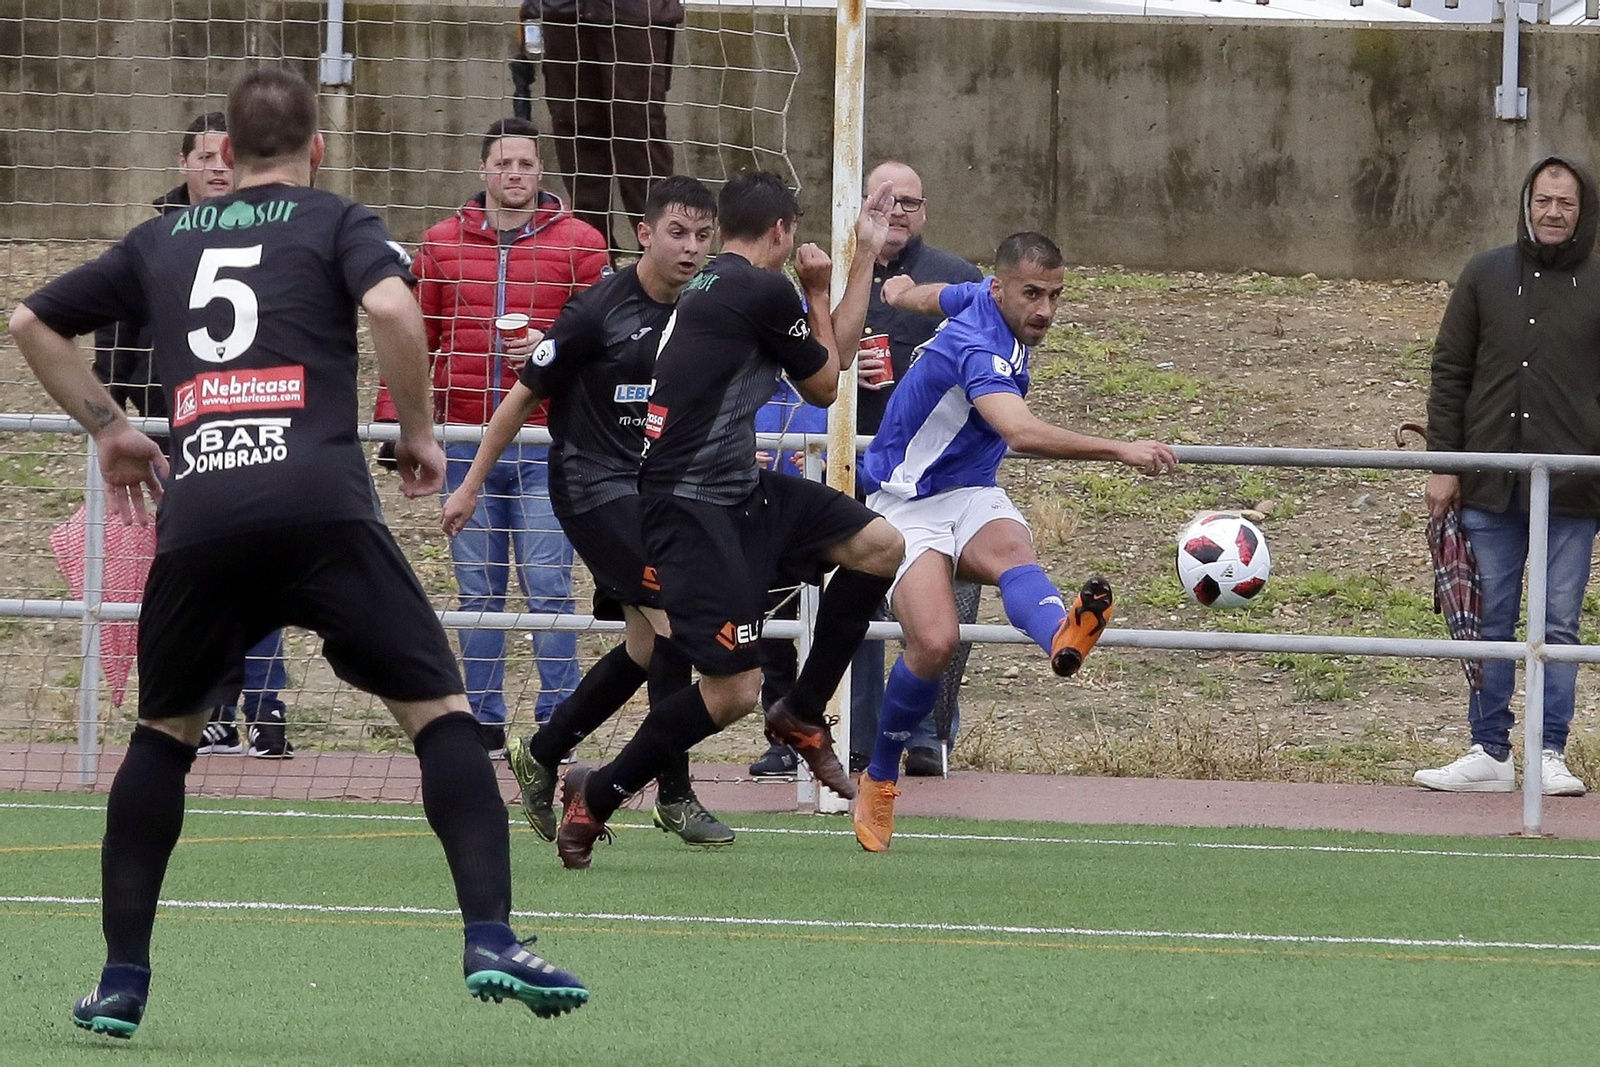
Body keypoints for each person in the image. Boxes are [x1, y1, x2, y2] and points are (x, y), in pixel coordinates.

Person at [11, 68, 586, 1039]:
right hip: (319, 505)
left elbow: (32, 320)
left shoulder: (161, 237)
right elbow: (399, 313)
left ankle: (121, 978)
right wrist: (414, 429)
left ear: (223, 156)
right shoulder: (331, 217)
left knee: (164, 736)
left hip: (203, 517)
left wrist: (111, 427)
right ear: (315, 148)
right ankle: (489, 933)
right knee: (440, 713)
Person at [552, 173, 907, 869]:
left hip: (737, 491)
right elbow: (829, 383)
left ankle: (802, 710)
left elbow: (820, 365)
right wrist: (828, 281)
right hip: (692, 507)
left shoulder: (715, 284)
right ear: (781, 231)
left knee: (878, 545)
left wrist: (854, 264)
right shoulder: (759, 287)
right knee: (733, 691)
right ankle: (598, 791)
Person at [851, 231, 1178, 851]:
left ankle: (1061, 632)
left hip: (970, 488)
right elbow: (1020, 432)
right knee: (935, 642)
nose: (1045, 311)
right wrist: (1119, 448)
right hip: (903, 501)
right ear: (1002, 288)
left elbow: (939, 293)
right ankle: (881, 775)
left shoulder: (981, 295)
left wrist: (901, 292)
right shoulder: (979, 347)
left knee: (1013, 553)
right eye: (1033, 294)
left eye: (1055, 296)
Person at [442, 175, 735, 847]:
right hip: (588, 489)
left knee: (643, 646)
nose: (690, 248)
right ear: (645, 234)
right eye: (677, 233)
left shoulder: (705, 309)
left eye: (701, 236)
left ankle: (542, 753)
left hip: (652, 494)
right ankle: (675, 792)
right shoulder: (596, 311)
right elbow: (518, 400)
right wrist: (469, 487)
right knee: (674, 625)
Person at [377, 117, 608, 755]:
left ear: (541, 172)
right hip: (461, 440)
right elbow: (413, 338)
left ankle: (559, 720)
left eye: (526, 164)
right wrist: (395, 427)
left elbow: (608, 340)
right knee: (478, 590)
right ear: (483, 171)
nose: (514, 174)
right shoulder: (441, 244)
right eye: (503, 164)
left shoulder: (581, 243)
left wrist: (548, 350)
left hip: (545, 444)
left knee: (549, 585)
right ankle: (481, 722)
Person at [751, 159, 987, 778]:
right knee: (815, 594)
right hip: (837, 460)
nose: (898, 210)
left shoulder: (957, 280)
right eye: (885, 199)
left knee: (950, 599)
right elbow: (802, 366)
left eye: (910, 200)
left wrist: (905, 377)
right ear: (861, 205)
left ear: (926, 209)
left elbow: (992, 371)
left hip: (933, 471)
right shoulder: (823, 272)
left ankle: (927, 734)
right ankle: (818, 731)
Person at [89, 110, 294, 761]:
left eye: (225, 156)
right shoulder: (151, 242)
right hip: (167, 443)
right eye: (202, 155)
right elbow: (114, 345)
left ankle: (265, 708)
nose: (214, 166)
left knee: (259, 573)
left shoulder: (275, 238)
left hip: (252, 431)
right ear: (182, 164)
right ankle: (205, 708)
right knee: (193, 578)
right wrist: (114, 420)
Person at [1414, 156, 1600, 798]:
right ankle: (1490, 751)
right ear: (1528, 203)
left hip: (1574, 493)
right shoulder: (1485, 274)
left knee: (1557, 627)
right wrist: (1444, 464)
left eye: (1566, 204)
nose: (1553, 213)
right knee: (1487, 621)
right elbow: (1449, 373)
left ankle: (1549, 752)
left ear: (1583, 210)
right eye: (1543, 200)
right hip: (1488, 485)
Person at [526, 0, 683, 248]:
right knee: (576, 131)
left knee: (638, 135)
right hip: (562, 12)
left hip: (633, 14)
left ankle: (659, 255)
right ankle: (593, 256)